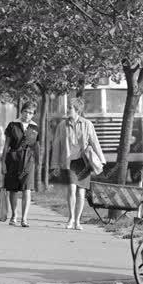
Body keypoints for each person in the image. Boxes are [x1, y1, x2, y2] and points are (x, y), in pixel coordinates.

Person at [51, 97, 105, 230]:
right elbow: (56, 145)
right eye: (68, 107)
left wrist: (101, 160)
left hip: (84, 162)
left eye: (70, 108)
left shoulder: (87, 124)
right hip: (69, 162)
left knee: (81, 193)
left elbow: (94, 142)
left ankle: (77, 221)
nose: (67, 110)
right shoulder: (62, 125)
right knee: (71, 189)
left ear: (77, 110)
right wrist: (55, 164)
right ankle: (70, 218)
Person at [0, 101, 39, 227]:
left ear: (33, 114)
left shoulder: (35, 127)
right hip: (13, 159)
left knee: (27, 189)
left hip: (29, 161)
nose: (28, 114)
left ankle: (24, 218)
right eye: (26, 111)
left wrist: (38, 162)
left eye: (31, 113)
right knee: (13, 189)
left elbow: (37, 146)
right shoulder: (13, 125)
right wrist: (3, 163)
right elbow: (6, 145)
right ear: (21, 111)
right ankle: (14, 215)